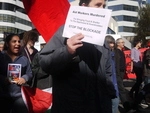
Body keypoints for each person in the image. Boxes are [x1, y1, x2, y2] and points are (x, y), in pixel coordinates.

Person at [39, 0, 116, 113]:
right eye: (98, 5)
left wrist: (109, 93)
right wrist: (67, 51)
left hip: (99, 106)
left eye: (104, 6)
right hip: (71, 106)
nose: (102, 9)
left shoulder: (103, 41)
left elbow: (107, 73)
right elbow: (44, 62)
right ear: (84, 7)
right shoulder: (65, 31)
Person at [0, 34, 33, 113]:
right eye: (14, 41)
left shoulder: (24, 59)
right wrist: (3, 79)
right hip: (2, 96)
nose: (18, 44)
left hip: (19, 97)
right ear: (7, 44)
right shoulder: (1, 57)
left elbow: (30, 73)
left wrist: (25, 78)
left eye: (19, 41)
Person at [115, 38, 132, 112]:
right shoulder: (116, 52)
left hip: (121, 73)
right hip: (118, 73)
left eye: (124, 42)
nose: (123, 43)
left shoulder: (121, 51)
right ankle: (127, 108)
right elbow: (116, 64)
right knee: (121, 89)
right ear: (118, 43)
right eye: (122, 42)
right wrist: (118, 73)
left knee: (119, 88)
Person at [105, 35, 119, 113]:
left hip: (114, 85)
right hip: (108, 85)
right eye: (110, 43)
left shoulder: (112, 54)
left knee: (115, 103)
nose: (112, 45)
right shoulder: (104, 55)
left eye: (113, 43)